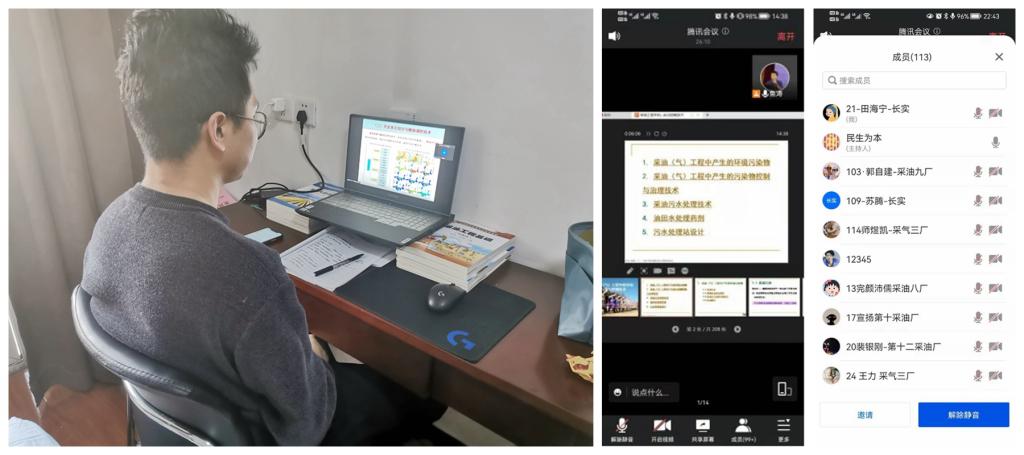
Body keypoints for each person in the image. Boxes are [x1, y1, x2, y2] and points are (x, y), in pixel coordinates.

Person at [83, 10, 440, 445]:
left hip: (186, 430)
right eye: (254, 115)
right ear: (219, 129)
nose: (255, 130)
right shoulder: (247, 273)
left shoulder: (107, 229)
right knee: (425, 397)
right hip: (285, 429)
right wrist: (310, 347)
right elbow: (308, 420)